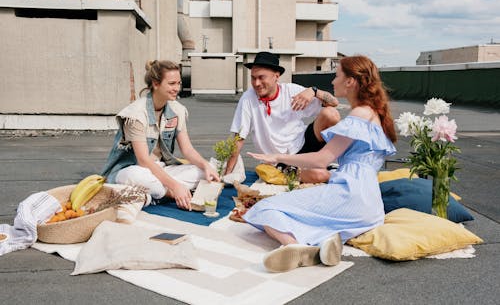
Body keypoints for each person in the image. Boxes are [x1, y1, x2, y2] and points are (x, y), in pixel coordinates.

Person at [244, 55, 397, 273]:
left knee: (263, 208)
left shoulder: (360, 113)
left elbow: (322, 159)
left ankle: (296, 247)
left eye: (337, 76)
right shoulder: (374, 114)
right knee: (308, 215)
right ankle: (323, 243)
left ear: (350, 81)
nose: (333, 82)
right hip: (371, 209)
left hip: (350, 197)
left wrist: (277, 158)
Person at [101, 60, 219, 211]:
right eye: (171, 84)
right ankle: (171, 194)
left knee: (206, 171)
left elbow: (187, 150)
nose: (177, 88)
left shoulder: (177, 110)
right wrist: (175, 186)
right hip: (132, 169)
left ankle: (152, 194)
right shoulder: (136, 114)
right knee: (144, 179)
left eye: (178, 83)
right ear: (156, 84)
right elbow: (143, 161)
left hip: (161, 169)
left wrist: (206, 166)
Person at [226, 51, 341, 183]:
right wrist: (227, 172)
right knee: (319, 176)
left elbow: (334, 103)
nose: (256, 83)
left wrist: (313, 91)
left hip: (303, 145)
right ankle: (317, 170)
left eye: (261, 77)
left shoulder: (291, 91)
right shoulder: (248, 98)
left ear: (276, 76)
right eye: (253, 78)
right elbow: (239, 137)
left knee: (330, 114)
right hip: (278, 162)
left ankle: (323, 162)